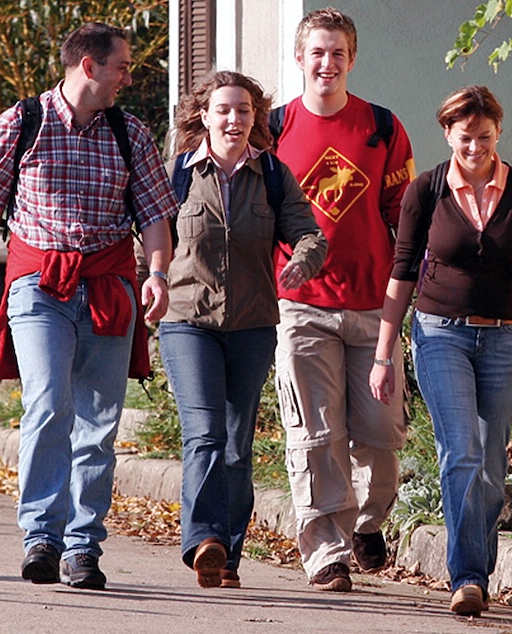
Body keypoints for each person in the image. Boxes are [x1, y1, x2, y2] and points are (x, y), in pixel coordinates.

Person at [0, 22, 178, 590]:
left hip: (108, 286)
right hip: (39, 285)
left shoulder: (131, 133)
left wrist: (156, 274)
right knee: (48, 403)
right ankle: (41, 536)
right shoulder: (19, 124)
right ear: (88, 65)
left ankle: (82, 546)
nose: (127, 78)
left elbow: (155, 217)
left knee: (99, 423)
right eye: (121, 67)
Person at [368, 85, 512, 616]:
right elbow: (402, 272)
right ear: (448, 134)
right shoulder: (427, 190)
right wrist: (384, 355)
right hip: (440, 334)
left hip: (505, 336)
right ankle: (468, 576)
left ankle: (477, 560)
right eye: (465, 137)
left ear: (498, 133)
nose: (475, 147)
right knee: (461, 452)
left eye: (485, 136)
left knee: (492, 463)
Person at [159, 70, 327, 589]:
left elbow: (310, 234)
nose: (234, 119)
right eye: (224, 110)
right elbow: (150, 240)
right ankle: (203, 540)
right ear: (204, 116)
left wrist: (302, 260)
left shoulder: (272, 174)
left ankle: (227, 555)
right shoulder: (177, 174)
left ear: (256, 117)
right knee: (205, 433)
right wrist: (148, 284)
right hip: (188, 321)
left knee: (236, 444)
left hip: (253, 324)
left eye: (244, 110)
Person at [270, 7, 415, 592]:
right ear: (299, 58)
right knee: (315, 434)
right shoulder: (274, 129)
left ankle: (367, 522)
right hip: (301, 305)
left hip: (373, 307)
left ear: (352, 59)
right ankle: (325, 551)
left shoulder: (382, 126)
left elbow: (404, 219)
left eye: (337, 53)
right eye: (317, 52)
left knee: (381, 432)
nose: (326, 63)